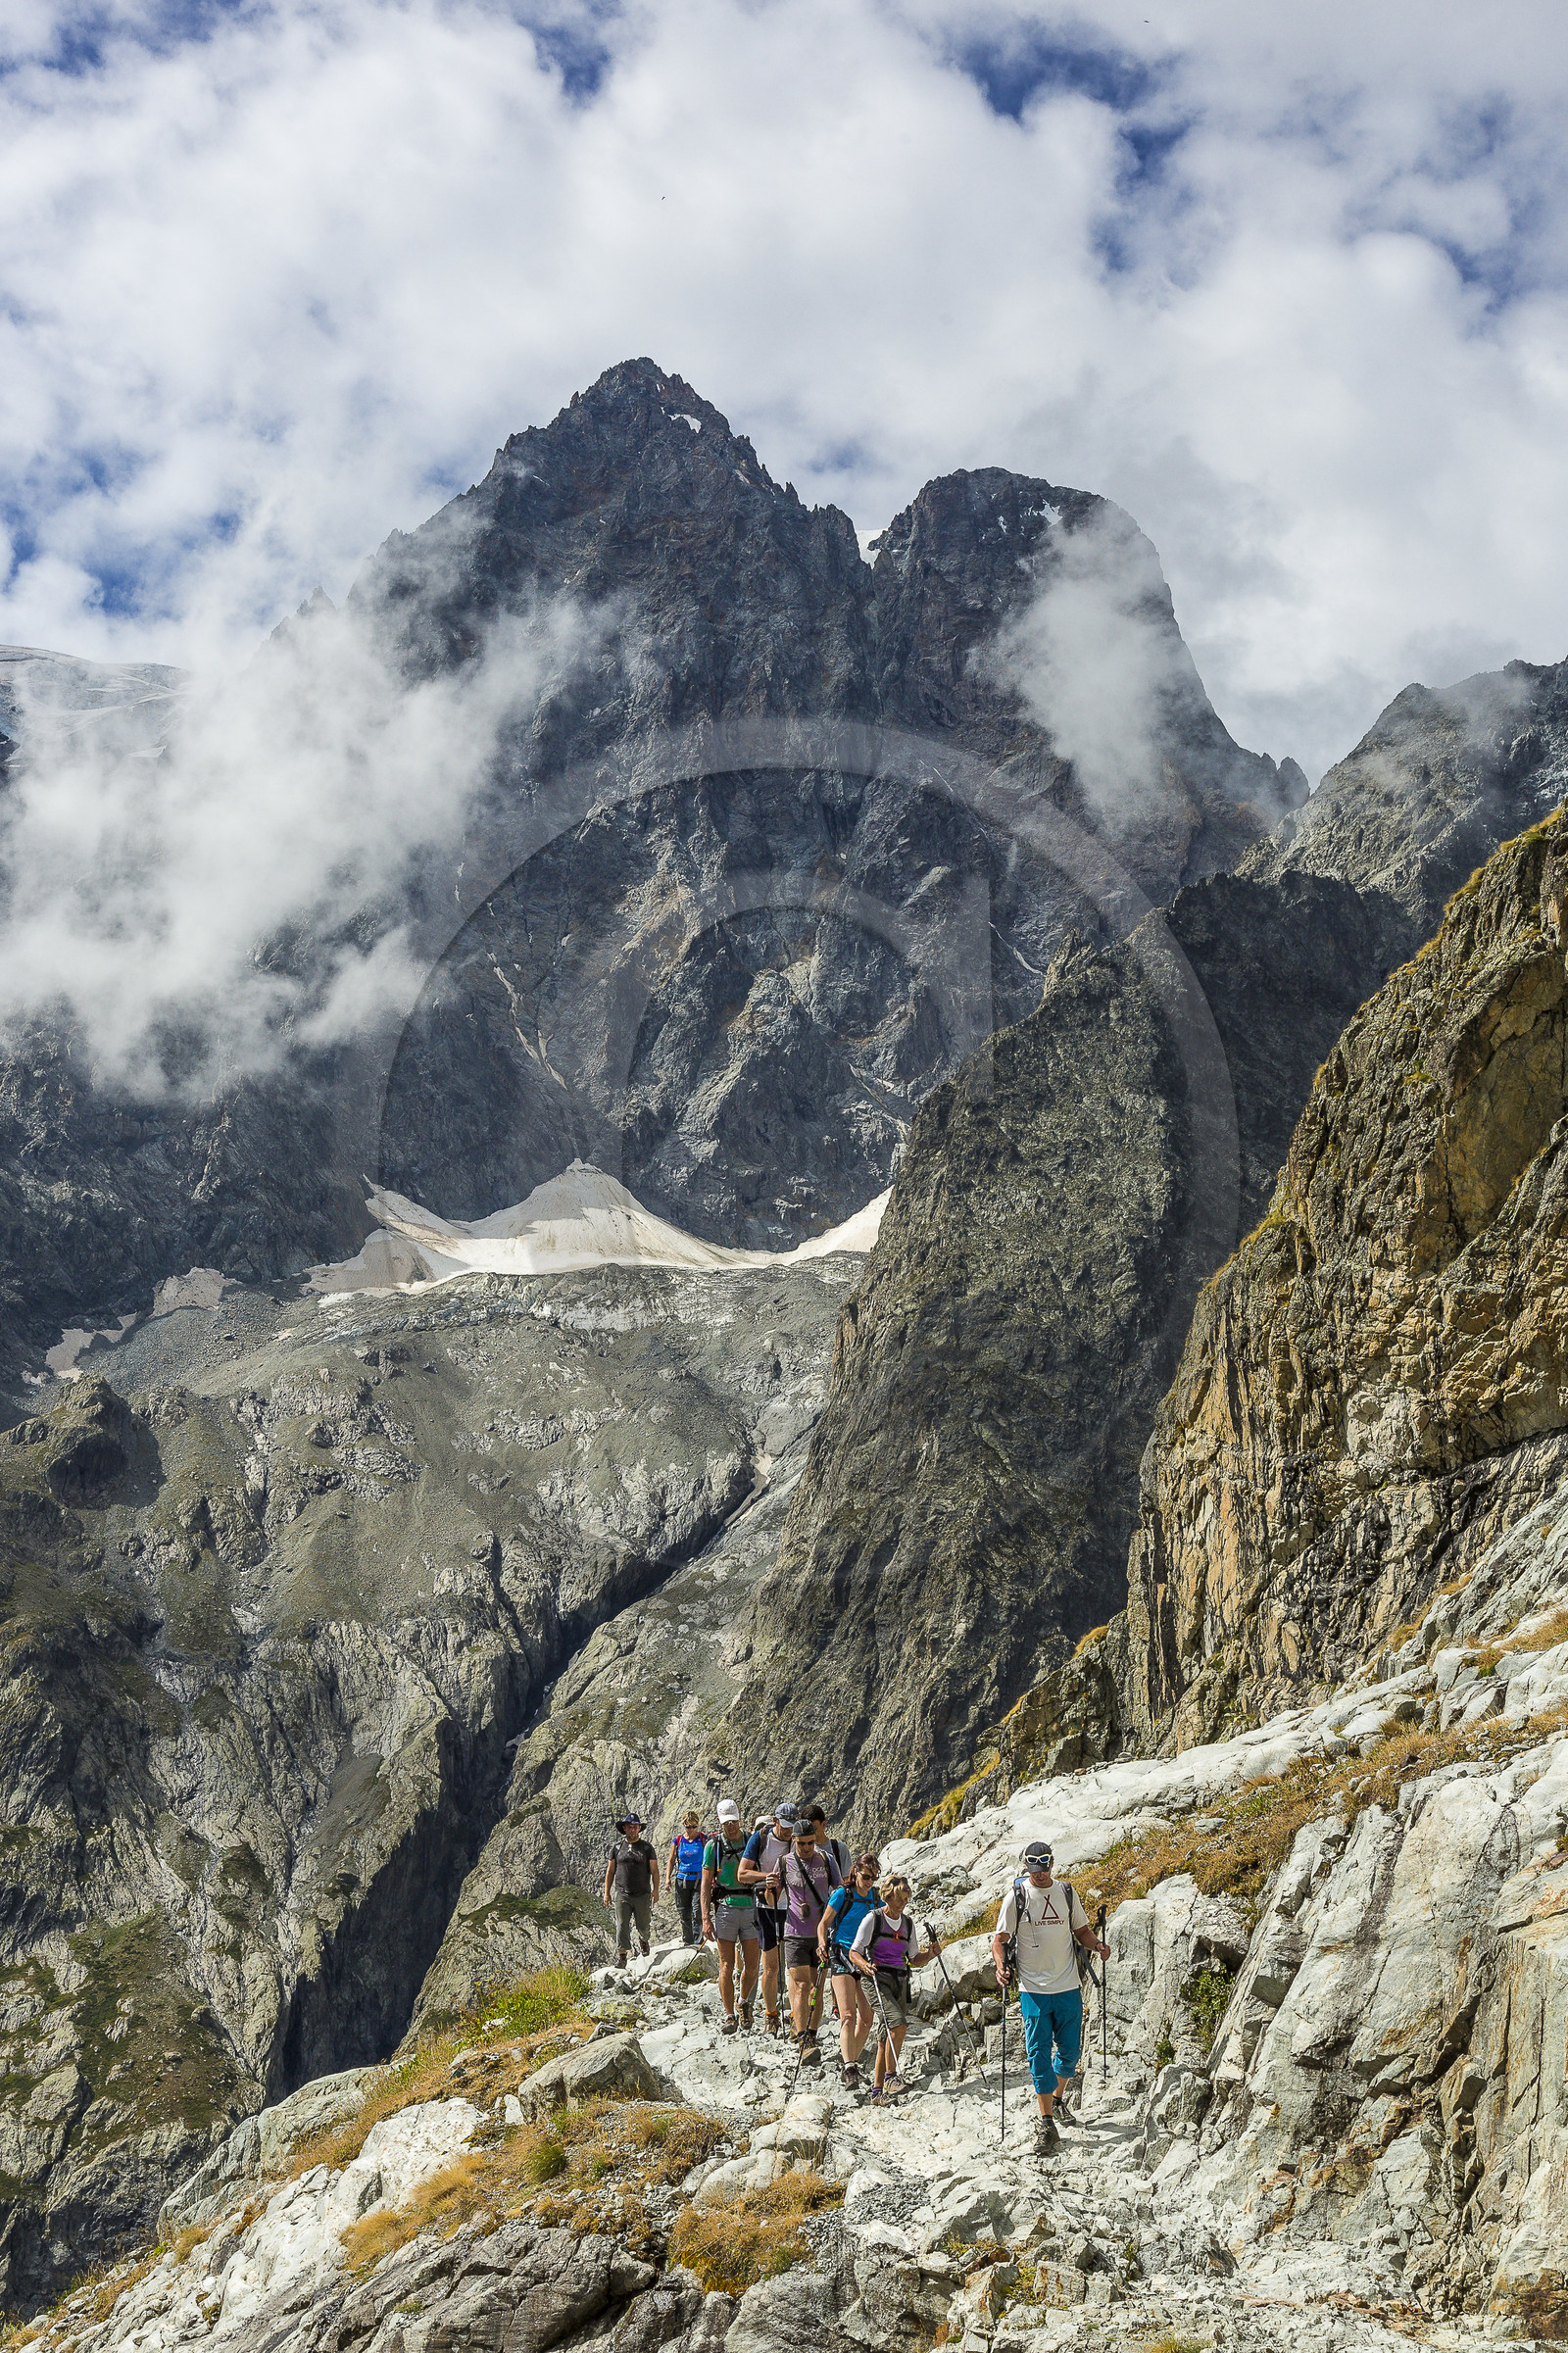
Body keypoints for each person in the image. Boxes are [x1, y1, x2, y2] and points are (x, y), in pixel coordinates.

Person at [990, 1839, 1109, 2154]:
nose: (1040, 1873)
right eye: (1033, 1867)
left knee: (1070, 2055)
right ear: (1026, 1866)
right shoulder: (1016, 1897)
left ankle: (1057, 2100)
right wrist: (1002, 1966)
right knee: (1038, 2054)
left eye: (1044, 1866)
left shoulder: (1067, 1892)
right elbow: (1000, 1940)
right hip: (1033, 1990)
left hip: (1068, 1985)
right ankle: (1046, 2122)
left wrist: (1096, 1945)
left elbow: (1081, 1930)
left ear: (1052, 1864)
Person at [848, 1874, 941, 2101]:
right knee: (898, 2025)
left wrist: (930, 1954)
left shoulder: (908, 1924)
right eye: (898, 1898)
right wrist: (865, 1966)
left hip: (900, 1981)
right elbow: (854, 1952)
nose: (902, 1903)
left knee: (885, 2036)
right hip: (876, 1980)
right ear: (887, 1897)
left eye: (905, 1899)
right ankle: (891, 2077)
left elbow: (914, 1958)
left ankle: (877, 2092)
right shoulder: (873, 1919)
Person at [778, 1816, 841, 2065]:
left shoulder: (826, 1859)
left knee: (817, 1987)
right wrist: (770, 1891)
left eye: (810, 1843)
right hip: (793, 1932)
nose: (806, 1848)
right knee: (802, 1986)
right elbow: (774, 1897)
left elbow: (838, 1889)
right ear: (793, 1840)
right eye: (801, 1843)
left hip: (820, 1934)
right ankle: (803, 2038)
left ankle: (811, 2035)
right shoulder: (784, 1863)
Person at [819, 1851, 880, 2087]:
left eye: (874, 1878)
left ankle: (850, 2060)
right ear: (855, 1872)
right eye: (866, 1877)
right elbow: (823, 1923)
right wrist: (822, 1943)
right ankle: (849, 2068)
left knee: (867, 2018)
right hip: (841, 1955)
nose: (869, 1882)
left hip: (865, 1958)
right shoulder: (842, 1895)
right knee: (848, 2015)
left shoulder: (875, 1898)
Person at [701, 1797, 760, 2033]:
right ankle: (729, 2015)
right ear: (720, 1822)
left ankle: (743, 2001)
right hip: (725, 1907)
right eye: (727, 1823)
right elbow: (705, 1884)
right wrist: (706, 1918)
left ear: (739, 1818)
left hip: (751, 1905)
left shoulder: (751, 1841)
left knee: (753, 1964)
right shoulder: (712, 1846)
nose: (731, 1826)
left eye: (733, 1822)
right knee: (726, 1964)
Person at [739, 1802, 798, 2035]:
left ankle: (795, 2016)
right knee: (771, 1967)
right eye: (785, 1827)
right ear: (775, 1821)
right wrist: (768, 1877)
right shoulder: (760, 1838)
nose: (788, 1832)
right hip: (766, 1906)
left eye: (792, 1827)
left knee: (794, 1967)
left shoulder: (798, 1838)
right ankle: (771, 2015)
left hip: (793, 1906)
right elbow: (742, 1874)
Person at [602, 1811, 660, 1968]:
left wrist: (656, 1890)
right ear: (624, 1828)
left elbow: (654, 1870)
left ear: (639, 1828)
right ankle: (622, 1956)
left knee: (643, 1924)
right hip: (622, 1893)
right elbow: (610, 1870)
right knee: (622, 1925)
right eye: (629, 1827)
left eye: (635, 1827)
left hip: (642, 1893)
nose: (632, 1829)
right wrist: (607, 1893)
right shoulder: (617, 1847)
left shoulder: (647, 1848)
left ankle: (644, 1940)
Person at [666, 1808, 709, 1947]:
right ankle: (687, 1940)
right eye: (688, 1826)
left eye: (693, 1826)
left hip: (699, 1879)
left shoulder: (703, 1839)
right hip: (682, 1879)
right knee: (684, 1911)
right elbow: (672, 1860)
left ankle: (698, 1942)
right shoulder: (678, 1841)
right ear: (684, 1825)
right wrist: (667, 1879)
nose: (691, 1829)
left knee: (697, 1910)